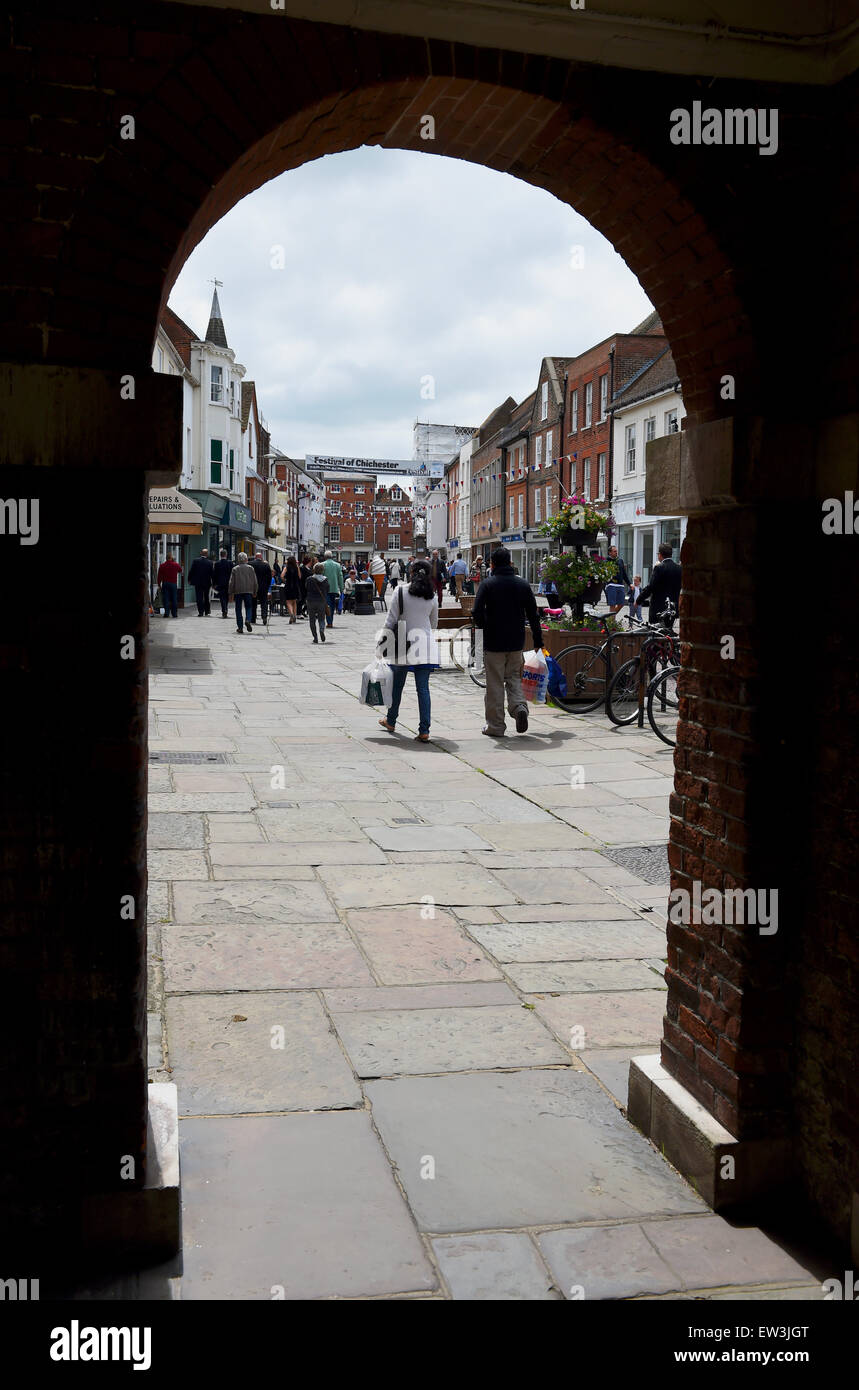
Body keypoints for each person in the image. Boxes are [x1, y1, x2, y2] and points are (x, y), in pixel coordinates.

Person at [473, 546, 543, 738]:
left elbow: (477, 612)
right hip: (515, 641)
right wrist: (538, 641)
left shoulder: (488, 584)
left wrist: (484, 626)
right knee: (513, 678)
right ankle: (519, 707)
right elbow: (533, 615)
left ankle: (495, 726)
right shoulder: (522, 585)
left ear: (492, 564)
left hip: (493, 641)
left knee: (495, 683)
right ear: (510, 563)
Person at [377, 558, 438, 743]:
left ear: (411, 573)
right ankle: (424, 730)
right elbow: (433, 623)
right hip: (425, 644)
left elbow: (391, 620)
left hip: (402, 642)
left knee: (397, 686)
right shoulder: (432, 596)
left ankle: (391, 720)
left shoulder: (400, 591)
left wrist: (381, 642)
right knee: (423, 689)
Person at [638, 542, 682, 628]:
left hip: (658, 609)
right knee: (668, 631)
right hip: (672, 607)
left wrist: (639, 600)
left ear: (660, 555)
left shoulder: (659, 568)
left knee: (656, 634)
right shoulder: (679, 568)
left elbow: (651, 587)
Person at [228, 552, 258, 633]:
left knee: (238, 609)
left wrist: (230, 593)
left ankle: (240, 627)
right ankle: (248, 619)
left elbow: (231, 582)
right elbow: (255, 581)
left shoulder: (235, 569)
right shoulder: (251, 568)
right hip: (248, 591)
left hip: (238, 591)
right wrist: (255, 591)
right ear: (245, 559)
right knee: (248, 607)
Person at [304, 562, 329, 643]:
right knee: (321, 618)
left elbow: (306, 588)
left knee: (312, 620)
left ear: (314, 570)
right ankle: (321, 629)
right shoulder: (325, 580)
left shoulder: (309, 579)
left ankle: (315, 637)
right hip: (321, 601)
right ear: (322, 570)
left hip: (311, 601)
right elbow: (327, 590)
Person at [604, 545, 632, 616]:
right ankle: (612, 624)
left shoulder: (620, 561)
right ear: (610, 553)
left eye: (616, 551)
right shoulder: (606, 561)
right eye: (614, 551)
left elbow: (624, 574)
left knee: (621, 604)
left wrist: (629, 584)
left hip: (620, 585)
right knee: (612, 605)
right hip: (611, 585)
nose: (616, 552)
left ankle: (609, 619)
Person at [187, 548, 214, 616]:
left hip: (198, 582)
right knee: (206, 597)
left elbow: (191, 571)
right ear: (207, 554)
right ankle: (207, 611)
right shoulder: (210, 562)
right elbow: (212, 574)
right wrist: (214, 582)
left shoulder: (196, 561)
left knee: (199, 597)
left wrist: (189, 579)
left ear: (201, 553)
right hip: (207, 583)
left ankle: (200, 612)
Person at [249, 551, 273, 627]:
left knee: (253, 603)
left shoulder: (251, 564)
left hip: (253, 587)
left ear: (255, 557)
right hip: (263, 587)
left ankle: (253, 618)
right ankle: (264, 616)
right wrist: (267, 586)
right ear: (261, 557)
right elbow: (269, 577)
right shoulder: (266, 565)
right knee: (264, 603)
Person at [321, 550, 344, 627]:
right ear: (332, 556)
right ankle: (330, 621)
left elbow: (320, 578)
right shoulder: (337, 565)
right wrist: (341, 588)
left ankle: (329, 622)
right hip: (334, 589)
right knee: (332, 605)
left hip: (325, 589)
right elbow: (340, 578)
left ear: (325, 557)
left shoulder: (322, 565)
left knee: (327, 605)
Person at [157, 551, 182, 618]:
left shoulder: (162, 566)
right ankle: (174, 614)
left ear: (166, 558)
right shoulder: (175, 565)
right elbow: (180, 570)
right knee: (174, 599)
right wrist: (174, 562)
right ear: (171, 558)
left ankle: (167, 613)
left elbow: (159, 576)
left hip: (165, 583)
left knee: (166, 599)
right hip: (173, 583)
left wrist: (159, 584)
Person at [212, 549, 233, 618]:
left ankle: (224, 609)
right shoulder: (230, 563)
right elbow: (232, 574)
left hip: (220, 583)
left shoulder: (217, 563)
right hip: (228, 583)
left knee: (222, 597)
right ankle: (225, 609)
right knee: (226, 596)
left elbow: (214, 574)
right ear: (226, 555)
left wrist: (214, 583)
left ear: (220, 555)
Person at [281, 554, 301, 623]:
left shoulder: (286, 567)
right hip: (295, 586)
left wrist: (285, 580)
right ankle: (294, 616)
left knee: (288, 602)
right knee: (294, 601)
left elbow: (282, 576)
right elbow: (300, 576)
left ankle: (291, 614)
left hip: (288, 585)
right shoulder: (297, 567)